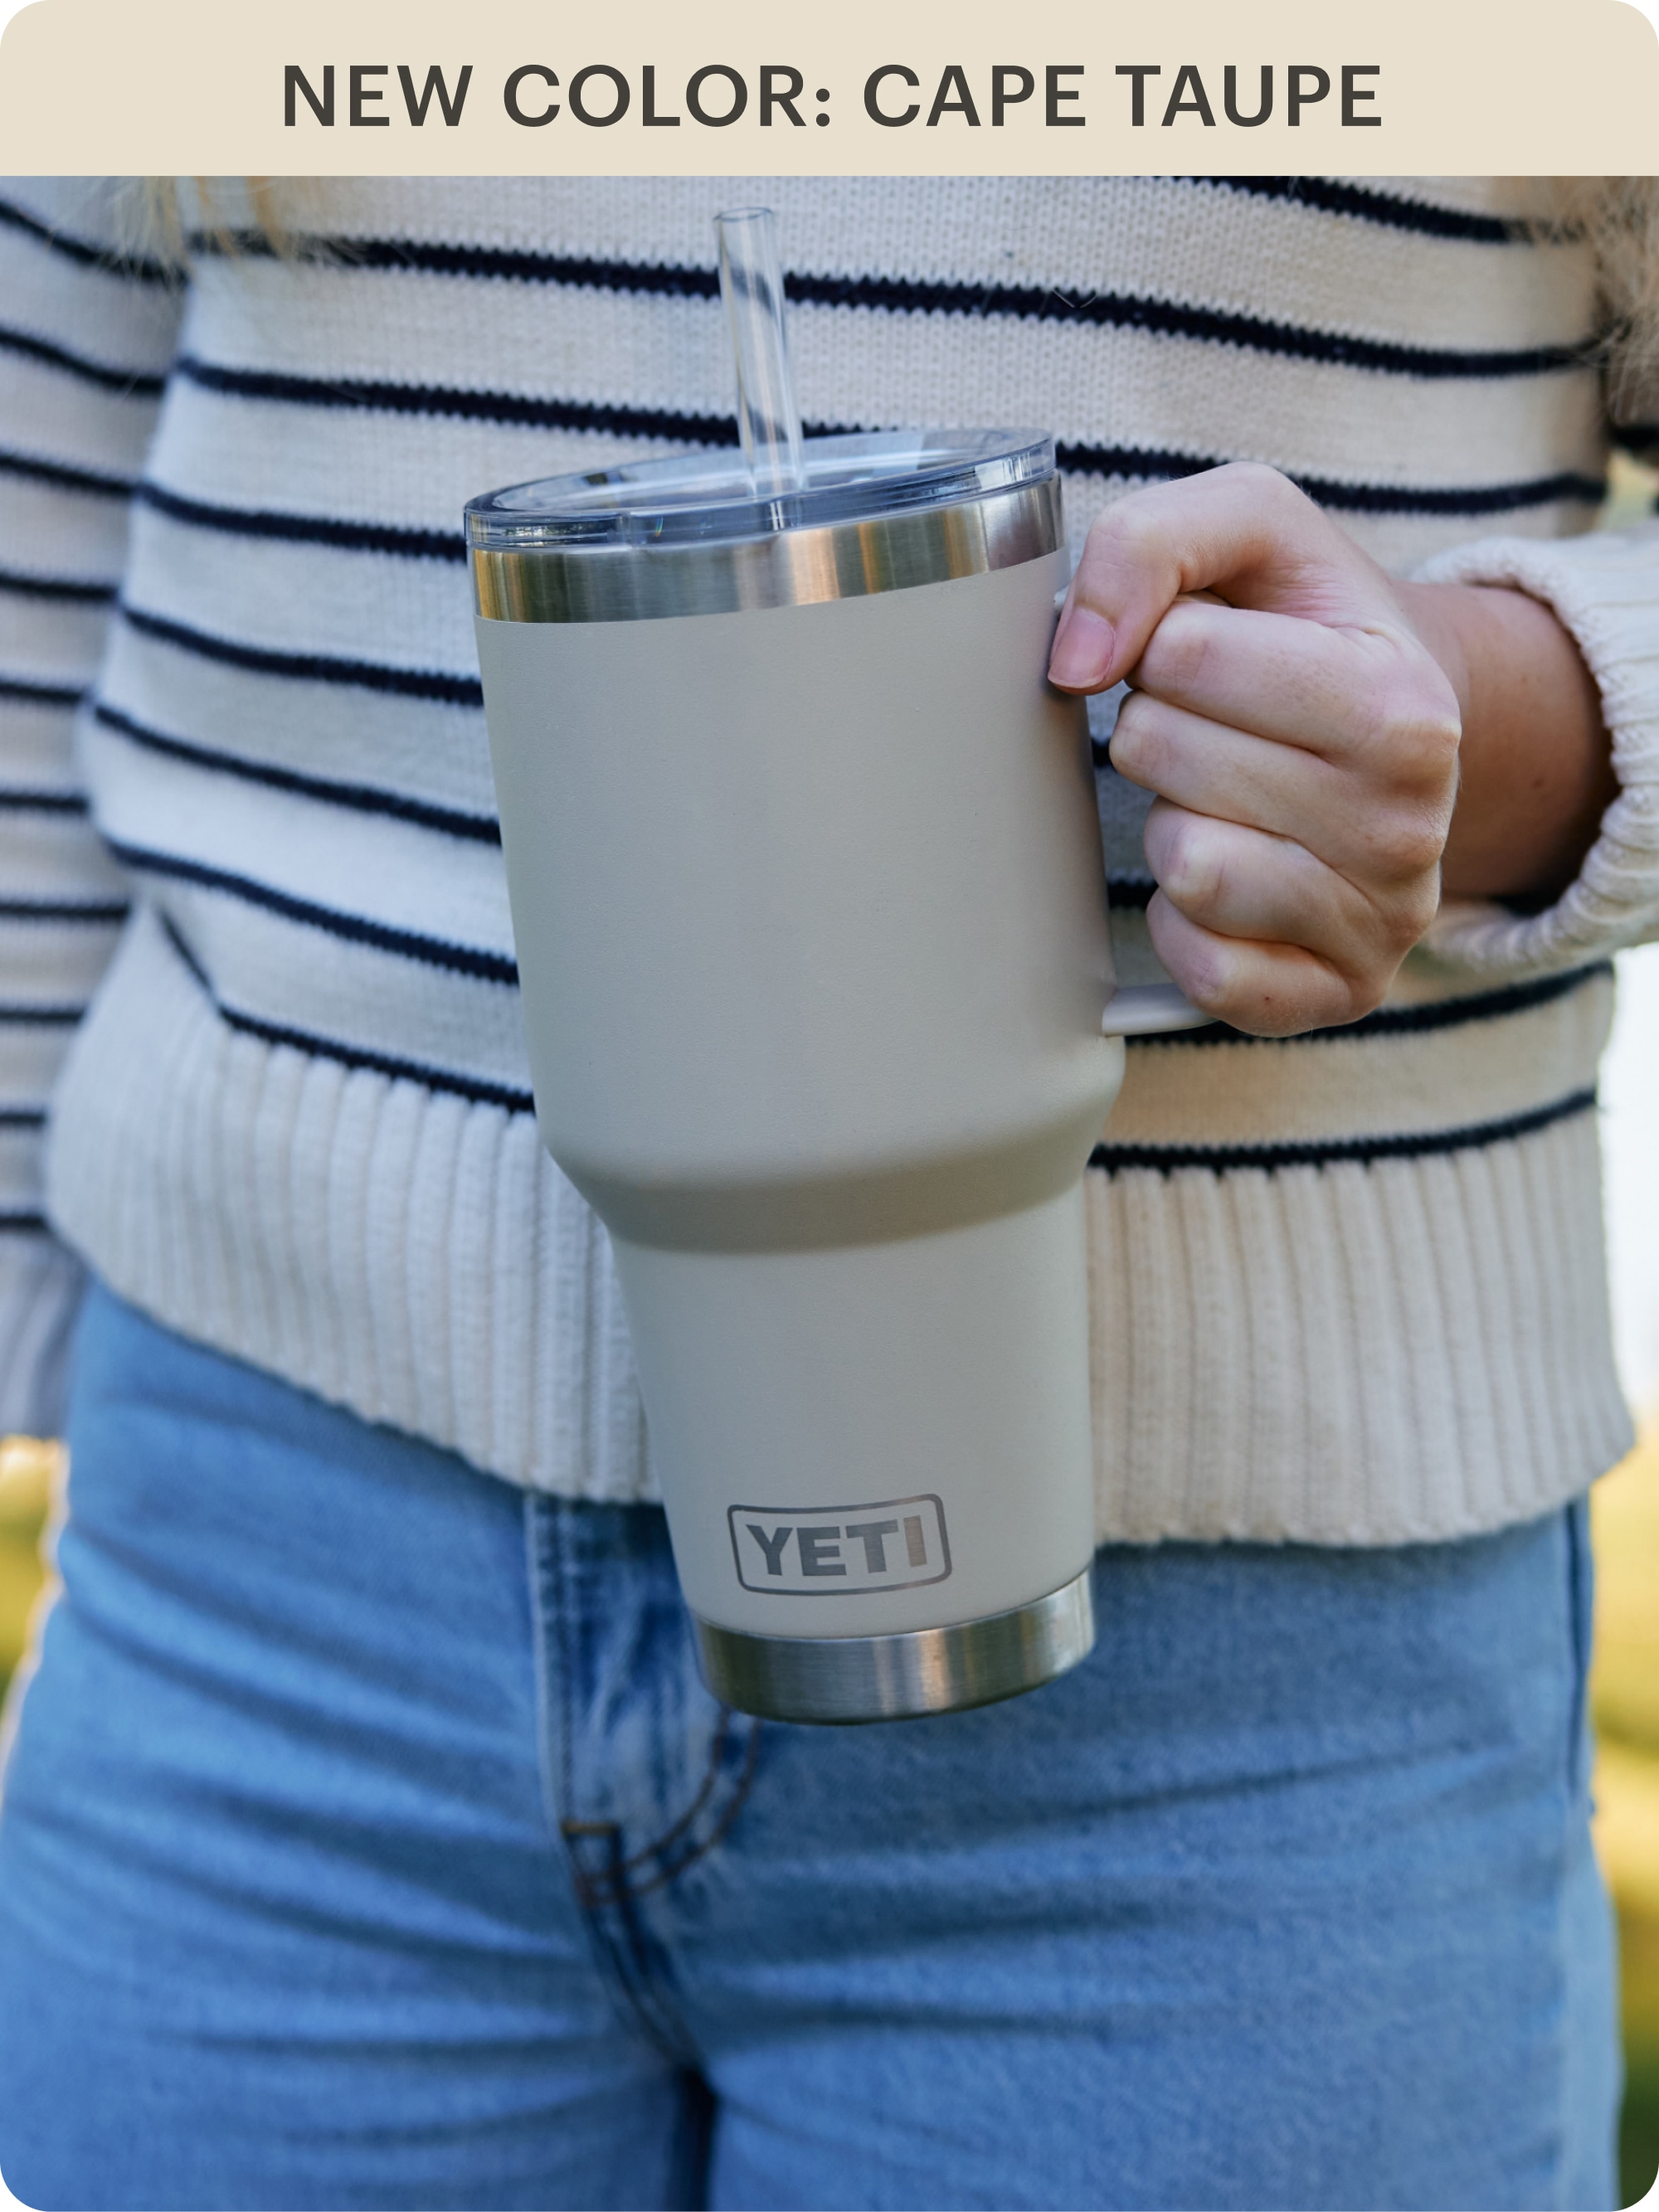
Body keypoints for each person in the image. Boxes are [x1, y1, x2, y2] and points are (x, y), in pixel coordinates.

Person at [0, 172, 1653, 2210]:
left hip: (1235, 1686)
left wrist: (1503, 721)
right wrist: (48, 1346)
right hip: (270, 1584)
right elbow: (33, 454)